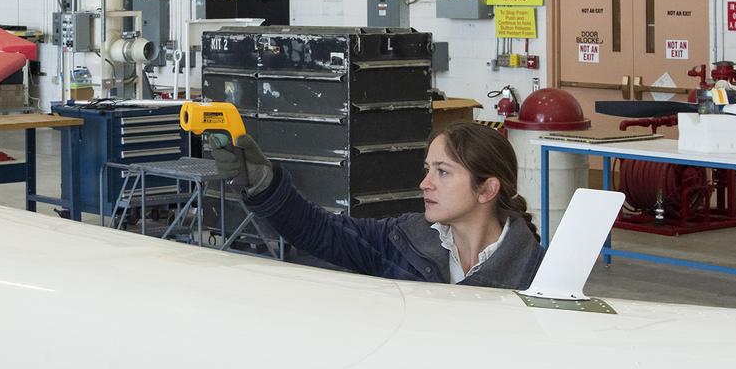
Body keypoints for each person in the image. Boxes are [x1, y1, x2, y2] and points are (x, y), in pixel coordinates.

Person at [210, 121, 545, 289]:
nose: (425, 183)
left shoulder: (538, 274)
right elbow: (320, 231)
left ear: (487, 189)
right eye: (428, 170)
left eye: (443, 172)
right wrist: (264, 187)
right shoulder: (403, 239)